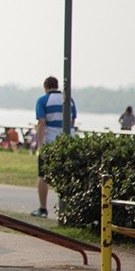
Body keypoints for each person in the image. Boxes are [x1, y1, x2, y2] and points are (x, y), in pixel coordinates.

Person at [30, 75, 76, 218]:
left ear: (45, 87)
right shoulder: (69, 100)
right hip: (68, 141)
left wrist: (40, 146)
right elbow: (72, 121)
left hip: (50, 142)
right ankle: (67, 209)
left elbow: (42, 123)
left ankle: (43, 209)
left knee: (43, 176)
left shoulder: (42, 100)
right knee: (67, 175)